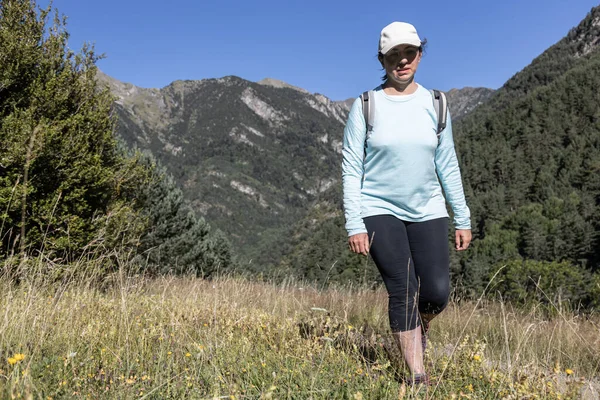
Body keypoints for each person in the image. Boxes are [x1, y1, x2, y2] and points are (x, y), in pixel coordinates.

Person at [341, 21, 472, 385]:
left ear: (419, 54)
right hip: (378, 207)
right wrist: (354, 223)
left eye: (409, 53)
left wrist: (462, 217)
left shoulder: (436, 103)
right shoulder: (366, 105)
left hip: (428, 208)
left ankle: (419, 325)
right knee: (403, 288)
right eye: (393, 56)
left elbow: (448, 163)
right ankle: (417, 376)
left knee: (435, 293)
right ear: (382, 60)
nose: (402, 61)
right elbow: (351, 168)